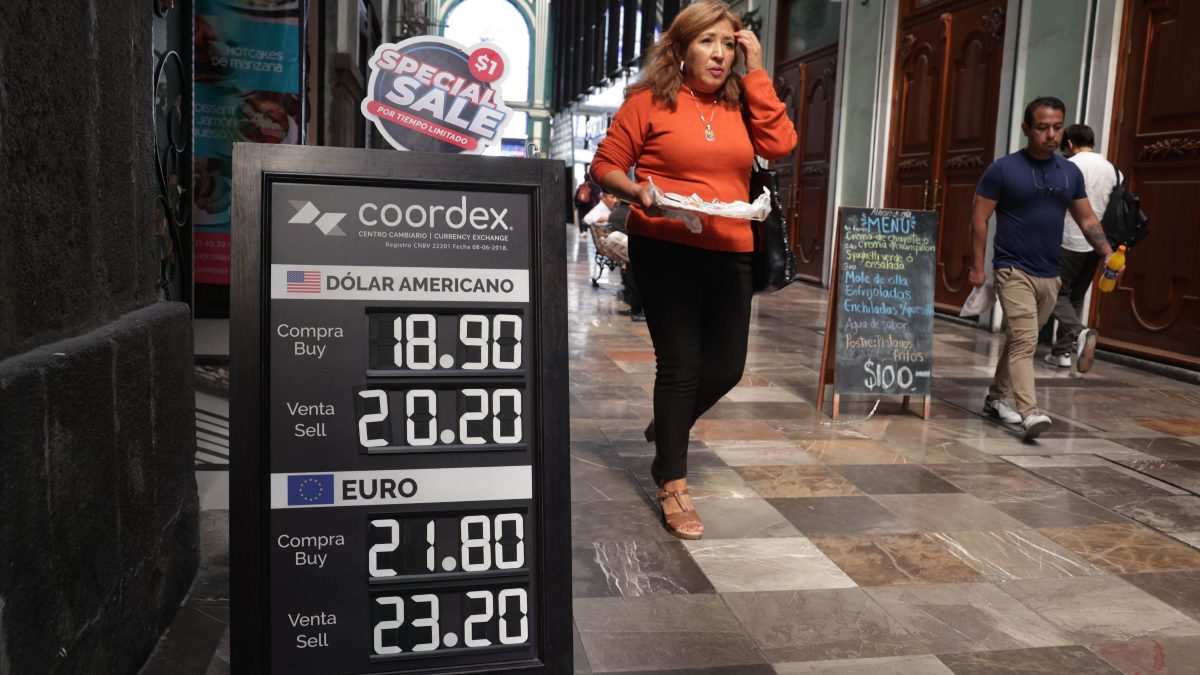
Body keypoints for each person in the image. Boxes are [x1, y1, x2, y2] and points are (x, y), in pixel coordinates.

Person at [590, 0, 795, 538]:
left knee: (726, 367)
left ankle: (671, 423)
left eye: (729, 43)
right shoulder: (648, 102)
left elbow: (781, 145)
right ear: (680, 49)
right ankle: (673, 482)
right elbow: (605, 165)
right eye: (708, 42)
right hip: (665, 243)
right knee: (680, 363)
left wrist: (757, 75)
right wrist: (638, 192)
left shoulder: (742, 102)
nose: (720, 53)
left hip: (731, 244)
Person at [969, 97, 1115, 441]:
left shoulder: (1069, 172)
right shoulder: (1003, 170)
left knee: (1020, 341)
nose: (1051, 134)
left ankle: (994, 399)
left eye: (1056, 127)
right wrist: (978, 267)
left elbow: (1086, 217)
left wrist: (1106, 252)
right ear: (1026, 129)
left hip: (1050, 273)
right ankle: (1029, 412)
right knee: (1025, 340)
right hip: (1012, 268)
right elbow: (978, 218)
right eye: (1042, 127)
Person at [1044, 124, 1116, 373]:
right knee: (1074, 297)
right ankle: (1061, 352)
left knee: (1052, 293)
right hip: (1096, 243)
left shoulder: (1070, 166)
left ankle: (1079, 333)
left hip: (1066, 238)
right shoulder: (1112, 169)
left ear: (1071, 143)